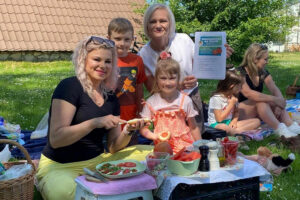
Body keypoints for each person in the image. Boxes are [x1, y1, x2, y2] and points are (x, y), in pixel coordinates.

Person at [36, 36, 151, 200]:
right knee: (64, 192)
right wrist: (94, 123)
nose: (102, 66)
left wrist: (128, 130)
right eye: (97, 59)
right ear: (83, 60)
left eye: (108, 61)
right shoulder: (69, 86)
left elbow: (113, 147)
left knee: (151, 153)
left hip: (97, 163)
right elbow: (56, 139)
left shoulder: (111, 97)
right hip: (60, 166)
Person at [139, 3, 234, 135]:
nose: (158, 25)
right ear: (147, 26)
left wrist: (220, 56)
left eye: (163, 21)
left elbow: (202, 64)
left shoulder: (183, 39)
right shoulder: (143, 54)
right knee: (169, 140)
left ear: (170, 23)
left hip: (191, 97)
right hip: (165, 105)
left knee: (195, 137)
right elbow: (152, 89)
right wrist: (178, 85)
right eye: (153, 21)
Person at [140, 53, 201, 154]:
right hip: (162, 148)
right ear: (156, 79)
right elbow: (143, 128)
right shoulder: (151, 102)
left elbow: (193, 127)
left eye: (172, 78)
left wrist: (199, 147)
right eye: (163, 78)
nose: (167, 83)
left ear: (178, 79)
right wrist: (155, 137)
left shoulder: (185, 100)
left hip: (185, 147)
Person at [237, 43, 300, 138]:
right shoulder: (239, 73)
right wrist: (275, 99)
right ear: (255, 59)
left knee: (270, 101)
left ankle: (290, 125)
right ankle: (280, 130)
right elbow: (248, 93)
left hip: (253, 111)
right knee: (261, 102)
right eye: (265, 59)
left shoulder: (262, 72)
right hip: (236, 111)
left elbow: (274, 89)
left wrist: (279, 103)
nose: (267, 62)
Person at [107, 18, 147, 145]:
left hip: (131, 114)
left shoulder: (137, 60)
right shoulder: (106, 60)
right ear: (108, 38)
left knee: (130, 147)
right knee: (111, 148)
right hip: (111, 114)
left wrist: (140, 111)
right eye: (117, 39)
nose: (122, 43)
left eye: (126, 39)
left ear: (132, 40)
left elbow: (139, 88)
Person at [208, 68, 260, 135]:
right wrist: (231, 104)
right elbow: (219, 119)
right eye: (239, 86)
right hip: (216, 125)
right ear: (231, 86)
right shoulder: (216, 98)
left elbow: (236, 112)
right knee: (224, 128)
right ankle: (240, 133)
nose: (240, 88)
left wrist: (234, 120)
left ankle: (236, 132)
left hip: (229, 123)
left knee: (256, 121)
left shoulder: (233, 97)